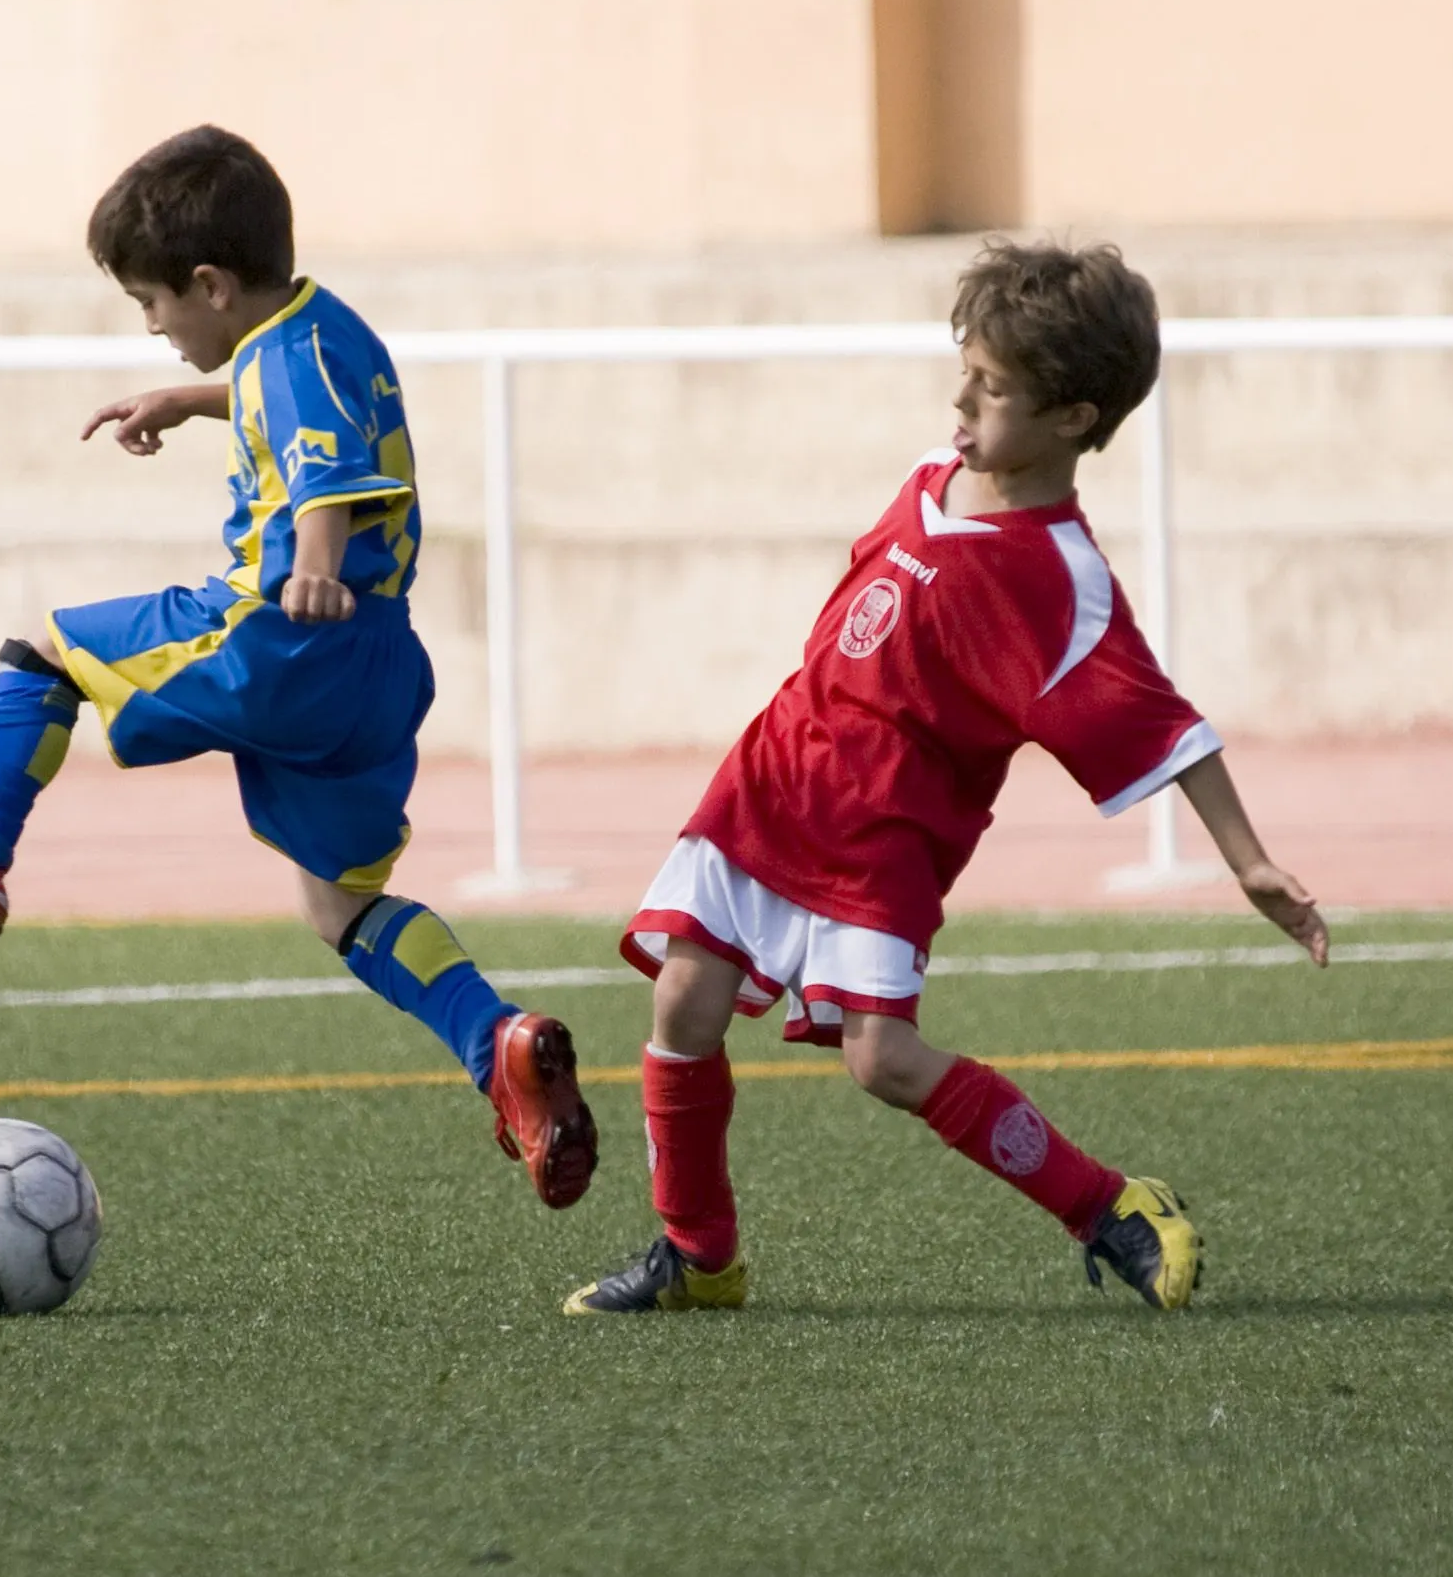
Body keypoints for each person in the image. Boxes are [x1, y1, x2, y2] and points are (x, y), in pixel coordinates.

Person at [0, 126, 598, 1210]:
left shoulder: (283, 359)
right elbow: (306, 410)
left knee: (43, 648)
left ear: (212, 286)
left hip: (281, 634)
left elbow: (323, 470)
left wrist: (312, 566)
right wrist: (187, 399)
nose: (153, 326)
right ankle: (497, 1040)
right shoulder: (323, 329)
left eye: (153, 305)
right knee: (342, 905)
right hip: (376, 673)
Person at [564, 238, 1330, 1315]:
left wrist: (1246, 859)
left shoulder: (1060, 584)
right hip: (772, 782)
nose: (959, 398)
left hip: (885, 837)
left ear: (1070, 417)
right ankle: (699, 1256)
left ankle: (1108, 1204)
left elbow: (1161, 722)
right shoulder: (927, 479)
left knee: (881, 1058)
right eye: (963, 371)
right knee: (680, 996)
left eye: (992, 386)